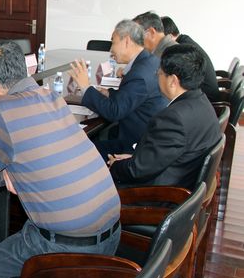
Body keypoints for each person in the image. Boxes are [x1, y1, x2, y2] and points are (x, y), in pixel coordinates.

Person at [0, 41, 121, 278]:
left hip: (68, 249)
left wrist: (6, 173)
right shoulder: (52, 97)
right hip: (113, 233)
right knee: (29, 226)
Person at [109, 45, 222, 190]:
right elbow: (159, 157)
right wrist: (134, 159)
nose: (157, 77)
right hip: (181, 180)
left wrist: (115, 166)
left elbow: (136, 171)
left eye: (159, 73)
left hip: (159, 194)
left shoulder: (174, 119)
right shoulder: (202, 101)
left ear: (173, 81)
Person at [70, 20, 168, 160]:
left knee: (78, 150)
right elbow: (132, 97)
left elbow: (114, 111)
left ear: (126, 41)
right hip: (144, 137)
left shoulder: (139, 74)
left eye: (113, 42)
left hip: (135, 147)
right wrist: (109, 93)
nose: (111, 49)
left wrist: (85, 87)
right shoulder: (149, 61)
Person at [161, 15, 220, 102]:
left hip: (206, 99)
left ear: (169, 36)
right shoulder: (185, 41)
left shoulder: (182, 50)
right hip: (204, 96)